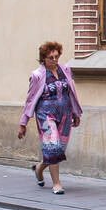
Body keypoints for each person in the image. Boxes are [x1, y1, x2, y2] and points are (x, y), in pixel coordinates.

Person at [18, 41, 83, 195]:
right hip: (45, 116)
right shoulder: (37, 75)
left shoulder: (65, 70)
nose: (54, 60)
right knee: (53, 147)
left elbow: (70, 93)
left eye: (56, 56)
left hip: (65, 114)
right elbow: (30, 99)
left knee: (58, 150)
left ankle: (39, 168)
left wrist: (75, 113)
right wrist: (23, 123)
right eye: (50, 58)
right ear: (43, 59)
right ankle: (57, 184)